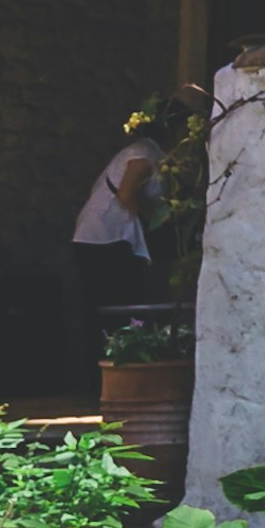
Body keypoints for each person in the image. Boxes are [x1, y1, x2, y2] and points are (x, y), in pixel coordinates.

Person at [69, 123, 160, 376]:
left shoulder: (153, 153)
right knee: (122, 305)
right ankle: (114, 366)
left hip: (111, 237)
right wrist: (152, 220)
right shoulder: (144, 153)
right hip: (105, 239)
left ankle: (120, 363)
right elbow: (125, 195)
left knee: (123, 302)